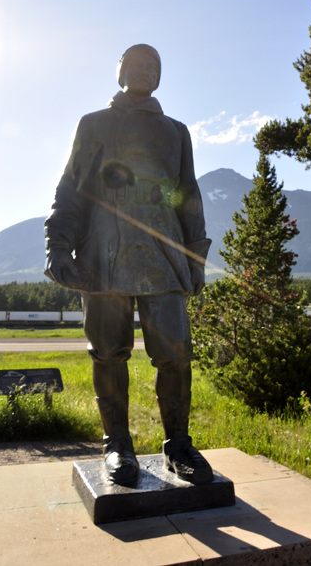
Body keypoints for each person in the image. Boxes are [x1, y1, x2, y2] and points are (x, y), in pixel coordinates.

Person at [44, 44, 213, 487]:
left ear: (160, 77)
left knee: (176, 355)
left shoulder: (176, 132)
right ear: (119, 72)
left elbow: (188, 195)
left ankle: (179, 444)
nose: (144, 70)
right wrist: (58, 245)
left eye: (153, 65)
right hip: (103, 256)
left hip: (165, 256)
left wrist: (196, 256)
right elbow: (71, 187)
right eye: (135, 63)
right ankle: (117, 444)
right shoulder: (94, 124)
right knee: (107, 353)